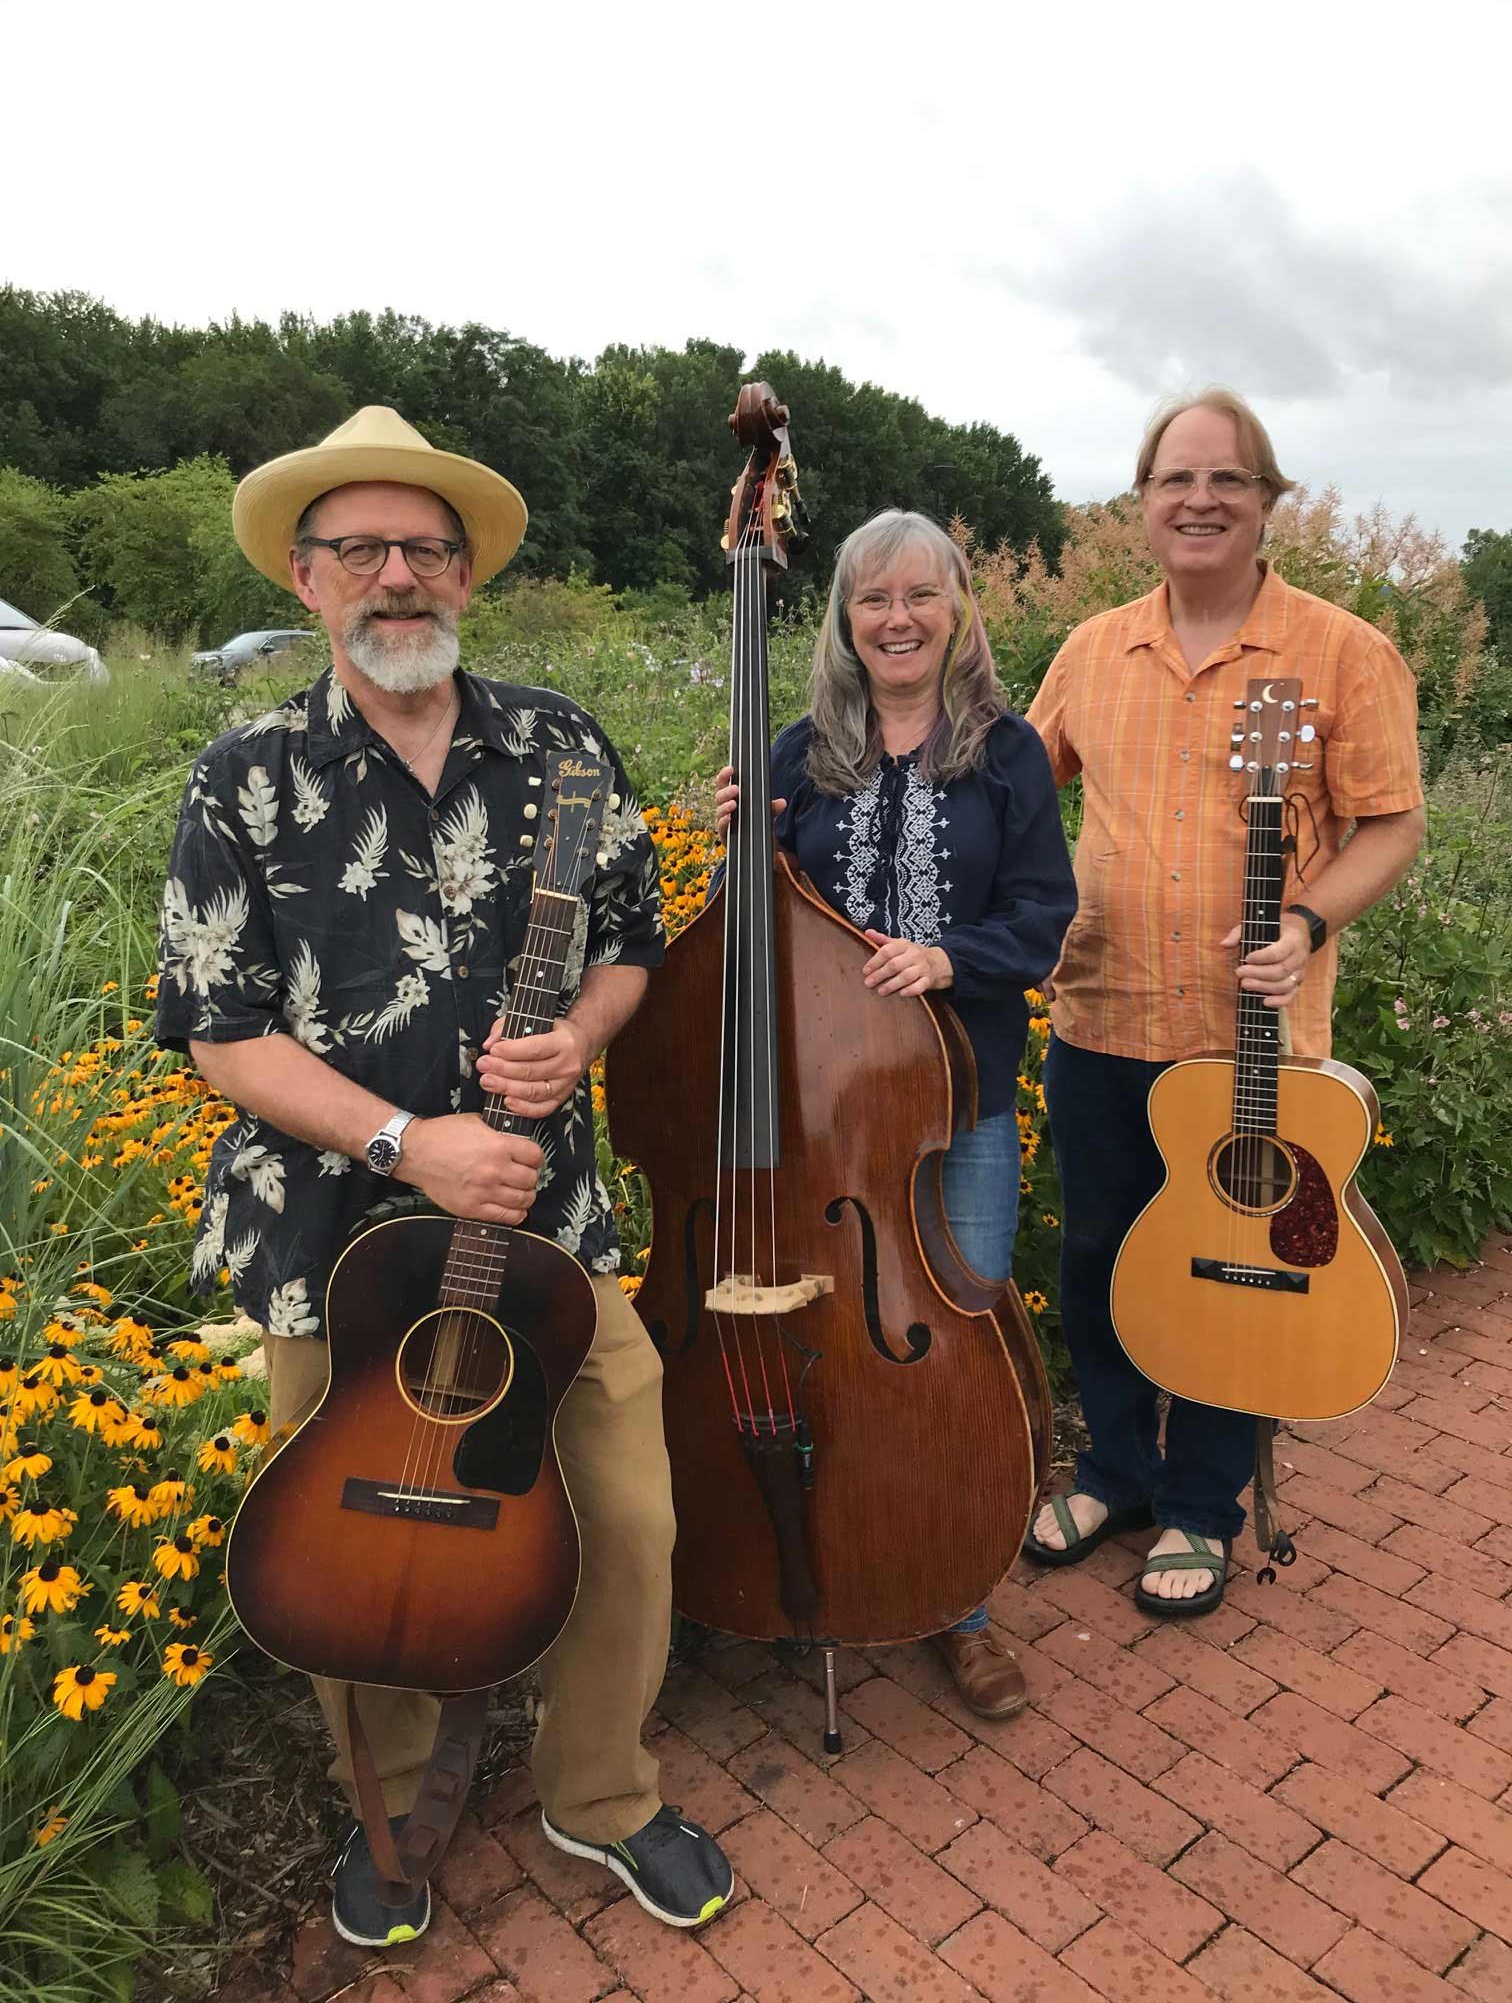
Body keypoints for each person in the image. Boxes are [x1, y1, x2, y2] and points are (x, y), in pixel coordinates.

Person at [156, 406, 733, 1948]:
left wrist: (581, 1043)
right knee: (350, 1557)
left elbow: (628, 942)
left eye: (425, 548)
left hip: (547, 1237)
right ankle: (387, 1803)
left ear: (467, 576)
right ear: (306, 576)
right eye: (361, 548)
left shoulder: (561, 745)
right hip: (331, 1242)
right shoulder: (245, 779)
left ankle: (598, 1793)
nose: (395, 575)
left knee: (628, 1518)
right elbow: (218, 1032)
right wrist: (410, 1143)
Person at [1024, 386, 1425, 1615]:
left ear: (1265, 504)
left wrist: (1306, 921)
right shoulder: (1095, 648)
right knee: (1097, 1256)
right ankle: (1112, 1471)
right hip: (1101, 1016)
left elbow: (1393, 823)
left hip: (1248, 1045)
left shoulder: (1341, 651)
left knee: (1229, 1263)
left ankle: (1201, 1504)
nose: (1198, 500)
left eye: (1227, 480)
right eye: (1173, 480)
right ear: (1141, 503)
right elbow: (1009, 788)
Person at [717, 509, 1077, 1716]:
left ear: (958, 609)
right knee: (827, 1359)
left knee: (949, 1359)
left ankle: (959, 1603)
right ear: (843, 619)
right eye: (874, 599)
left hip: (954, 1106)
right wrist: (738, 850)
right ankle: (810, 1557)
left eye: (922, 595)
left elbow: (1042, 918)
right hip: (820, 1125)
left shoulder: (1009, 753)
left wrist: (948, 957)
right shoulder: (792, 753)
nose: (899, 619)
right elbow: (751, 925)